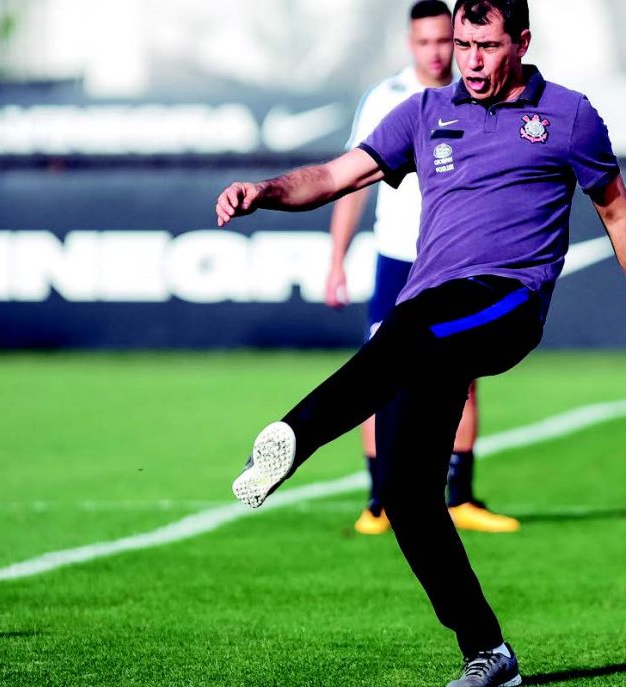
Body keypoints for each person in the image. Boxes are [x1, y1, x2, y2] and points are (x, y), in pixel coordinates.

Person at [215, 1, 625, 685]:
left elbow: (616, 211)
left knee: (409, 326)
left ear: (522, 42)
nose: (470, 60)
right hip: (429, 320)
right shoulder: (425, 111)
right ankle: (489, 652)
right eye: (463, 44)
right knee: (407, 495)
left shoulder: (569, 115)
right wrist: (265, 190)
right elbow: (335, 176)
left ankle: (296, 434)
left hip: (508, 301)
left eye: (486, 46)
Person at [327, 0, 519, 535]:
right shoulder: (387, 98)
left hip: (456, 259)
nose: (437, 53)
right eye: (426, 42)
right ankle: (378, 501)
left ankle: (460, 497)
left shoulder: (479, 95)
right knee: (377, 373)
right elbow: (352, 182)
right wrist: (336, 259)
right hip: (398, 257)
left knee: (463, 374)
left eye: (444, 42)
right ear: (410, 44)